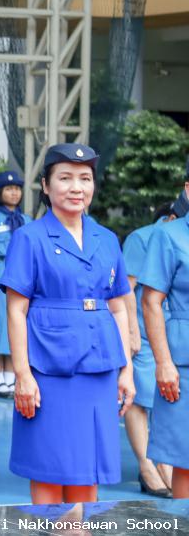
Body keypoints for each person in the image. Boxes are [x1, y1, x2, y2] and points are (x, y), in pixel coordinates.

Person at [0, 143, 133, 505]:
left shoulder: (107, 239)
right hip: (48, 369)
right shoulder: (29, 238)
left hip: (100, 367)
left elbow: (119, 308)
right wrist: (22, 374)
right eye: (65, 178)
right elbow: (16, 311)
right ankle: (51, 529)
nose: (77, 187)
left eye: (85, 179)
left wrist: (126, 369)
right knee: (48, 467)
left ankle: (80, 530)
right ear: (45, 185)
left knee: (88, 469)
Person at [139, 171, 189, 500]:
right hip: (183, 361)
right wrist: (163, 363)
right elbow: (151, 301)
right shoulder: (169, 235)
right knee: (186, 457)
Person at [122, 202, 176, 498]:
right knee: (140, 399)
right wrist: (131, 331)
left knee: (169, 400)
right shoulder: (141, 239)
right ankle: (146, 466)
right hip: (143, 333)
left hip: (172, 334)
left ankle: (164, 463)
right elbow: (126, 288)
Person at [0, 170, 32, 399]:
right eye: (9, 189)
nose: (14, 193)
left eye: (17, 189)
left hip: (19, 273)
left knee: (16, 325)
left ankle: (11, 378)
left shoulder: (26, 220)